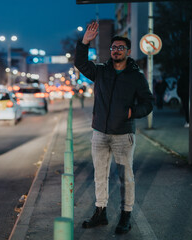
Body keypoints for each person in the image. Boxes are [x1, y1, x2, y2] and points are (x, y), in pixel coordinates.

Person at [74, 22, 153, 234]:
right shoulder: (101, 71)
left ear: (127, 52)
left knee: (125, 177)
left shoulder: (136, 77)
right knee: (100, 175)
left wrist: (132, 113)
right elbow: (80, 62)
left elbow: (148, 102)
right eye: (113, 48)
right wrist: (85, 42)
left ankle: (126, 216)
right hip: (100, 133)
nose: (116, 50)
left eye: (120, 48)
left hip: (123, 135)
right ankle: (101, 213)